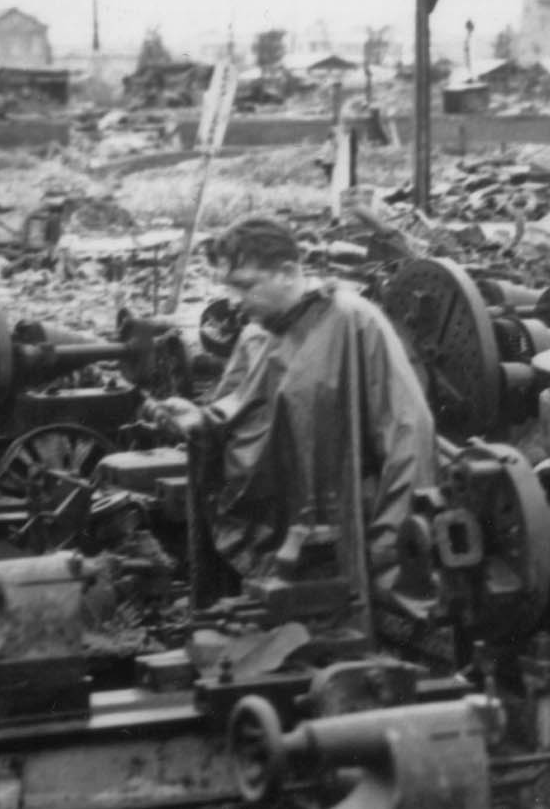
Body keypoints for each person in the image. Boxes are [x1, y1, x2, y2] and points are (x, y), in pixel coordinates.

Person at [149, 216, 435, 623]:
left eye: (245, 286)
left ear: (287, 273)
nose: (234, 300)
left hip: (345, 535)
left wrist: (388, 548)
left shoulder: (353, 323)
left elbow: (408, 432)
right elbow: (241, 415)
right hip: (277, 541)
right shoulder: (256, 334)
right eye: (229, 287)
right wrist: (199, 421)